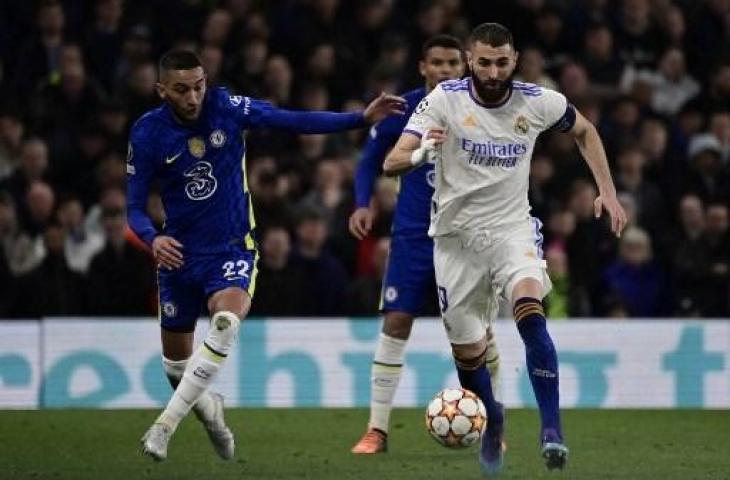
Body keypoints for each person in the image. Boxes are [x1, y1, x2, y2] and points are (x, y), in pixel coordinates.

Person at [127, 49, 405, 462]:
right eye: (182, 89)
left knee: (224, 323)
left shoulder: (225, 107)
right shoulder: (147, 133)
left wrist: (359, 120)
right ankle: (212, 414)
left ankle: (163, 427)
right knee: (175, 369)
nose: (193, 97)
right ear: (162, 89)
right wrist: (153, 239)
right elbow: (132, 207)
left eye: (198, 86)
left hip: (232, 247)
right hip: (180, 254)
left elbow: (292, 119)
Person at [383, 23, 627, 475]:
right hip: (455, 243)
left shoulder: (537, 101)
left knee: (530, 312)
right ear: (470, 61)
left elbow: (586, 131)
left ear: (514, 60)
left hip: (512, 231)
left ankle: (552, 431)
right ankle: (493, 419)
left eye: (501, 62)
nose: (493, 72)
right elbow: (392, 159)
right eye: (483, 62)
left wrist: (607, 191)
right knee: (468, 355)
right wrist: (421, 154)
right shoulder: (444, 100)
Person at [349, 35, 502, 455]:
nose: (446, 70)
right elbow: (368, 161)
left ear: (466, 65)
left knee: (476, 334)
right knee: (396, 321)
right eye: (437, 62)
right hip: (414, 235)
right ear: (423, 67)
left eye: (454, 63)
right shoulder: (404, 109)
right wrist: (362, 204)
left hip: (468, 237)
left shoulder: (487, 109)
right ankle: (376, 431)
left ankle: (493, 429)